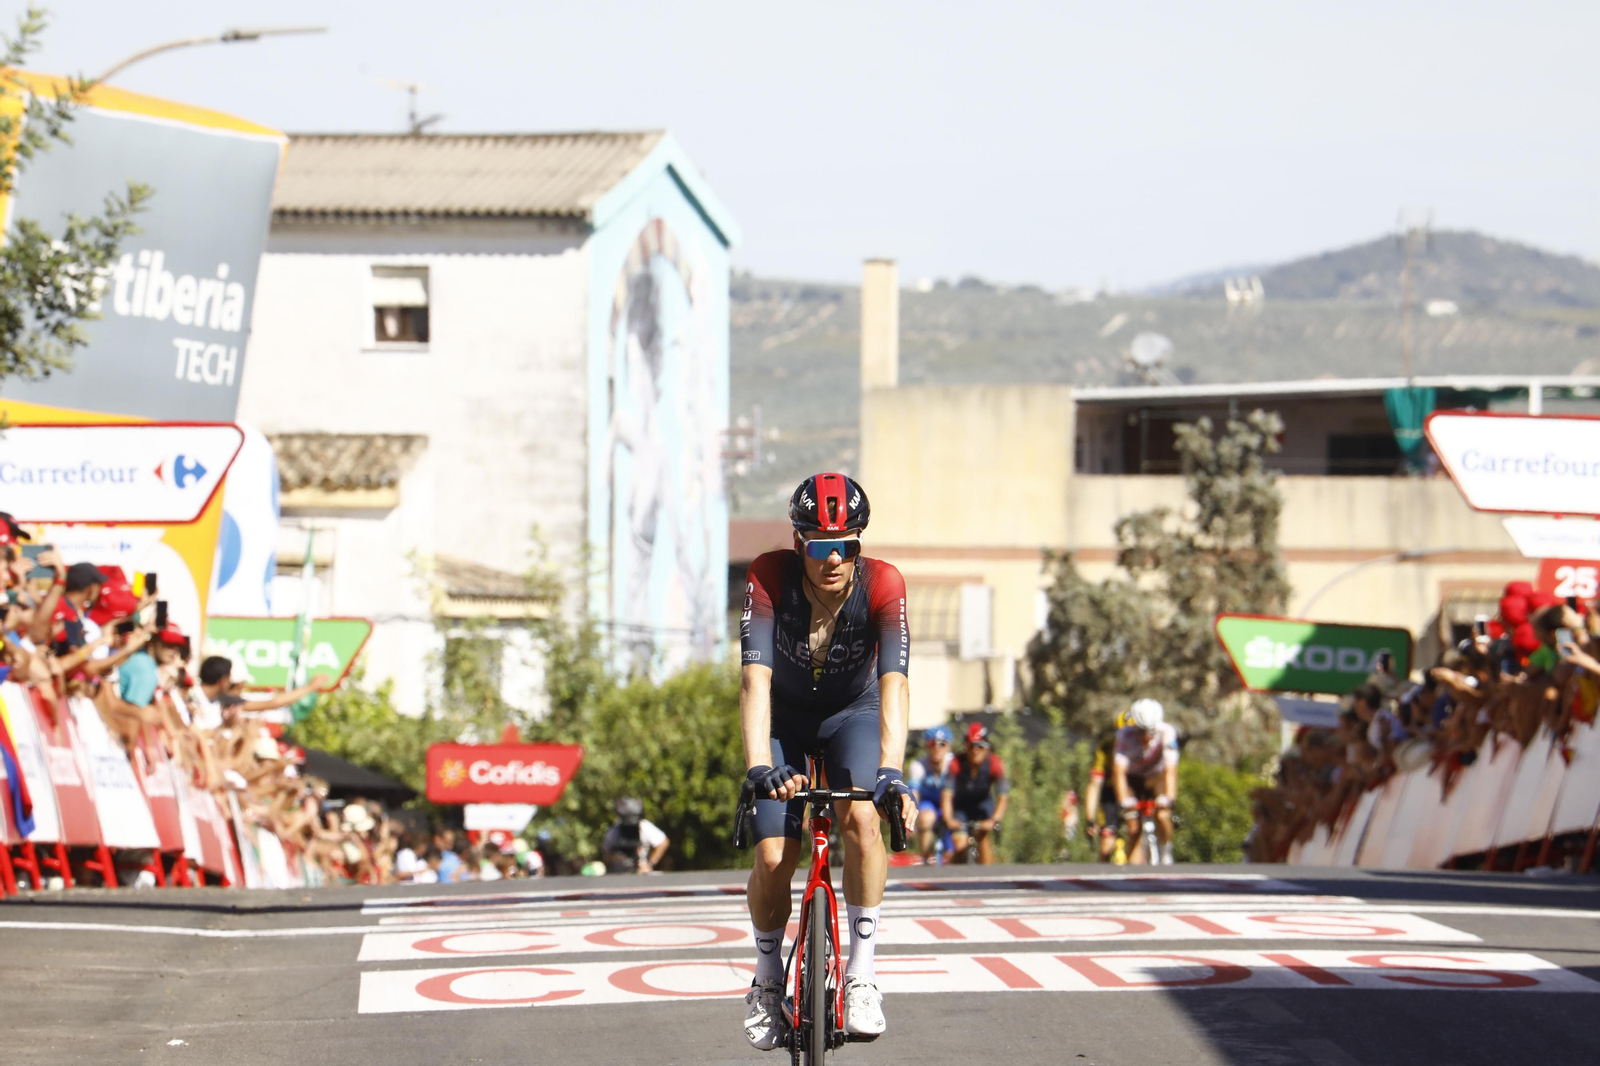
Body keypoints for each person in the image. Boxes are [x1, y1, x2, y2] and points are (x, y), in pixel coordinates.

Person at [739, 472, 914, 1049]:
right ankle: (767, 982)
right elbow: (755, 681)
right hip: (785, 719)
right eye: (820, 545)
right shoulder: (769, 576)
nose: (834, 559)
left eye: (847, 545)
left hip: (853, 715)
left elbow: (894, 683)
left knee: (863, 820)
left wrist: (892, 771)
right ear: (799, 543)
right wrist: (760, 765)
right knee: (772, 856)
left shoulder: (884, 584)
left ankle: (861, 975)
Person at [1112, 698, 1179, 865]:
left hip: (1156, 776)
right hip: (1133, 778)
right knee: (1133, 826)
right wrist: (1123, 800)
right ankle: (1133, 869)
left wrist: (1169, 798)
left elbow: (1170, 770)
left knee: (1163, 815)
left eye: (1151, 732)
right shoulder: (1124, 735)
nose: (1146, 737)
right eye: (1141, 731)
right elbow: (1119, 772)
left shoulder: (1167, 732)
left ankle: (1166, 851)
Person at [940, 722, 1009, 864]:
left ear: (987, 748)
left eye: (980, 746)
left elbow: (1003, 796)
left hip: (983, 804)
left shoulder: (995, 764)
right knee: (960, 844)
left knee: (983, 836)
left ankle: (987, 876)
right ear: (966, 747)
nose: (975, 751)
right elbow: (947, 795)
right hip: (961, 806)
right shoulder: (956, 764)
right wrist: (948, 819)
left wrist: (994, 820)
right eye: (971, 746)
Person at [1085, 710, 1133, 862]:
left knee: (1135, 835)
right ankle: (1101, 878)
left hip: (1134, 791)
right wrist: (1090, 819)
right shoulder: (1106, 747)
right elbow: (1094, 784)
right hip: (1110, 794)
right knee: (1107, 845)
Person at [906, 725, 953, 863]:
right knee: (926, 818)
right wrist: (911, 819)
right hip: (929, 803)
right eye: (933, 744)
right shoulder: (918, 766)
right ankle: (925, 857)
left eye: (942, 744)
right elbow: (914, 793)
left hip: (951, 803)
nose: (937, 748)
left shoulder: (953, 764)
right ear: (927, 746)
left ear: (948, 746)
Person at [601, 797, 670, 873]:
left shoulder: (645, 827)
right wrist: (615, 858)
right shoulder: (614, 831)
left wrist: (649, 864)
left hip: (641, 872)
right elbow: (606, 854)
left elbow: (663, 842)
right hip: (619, 874)